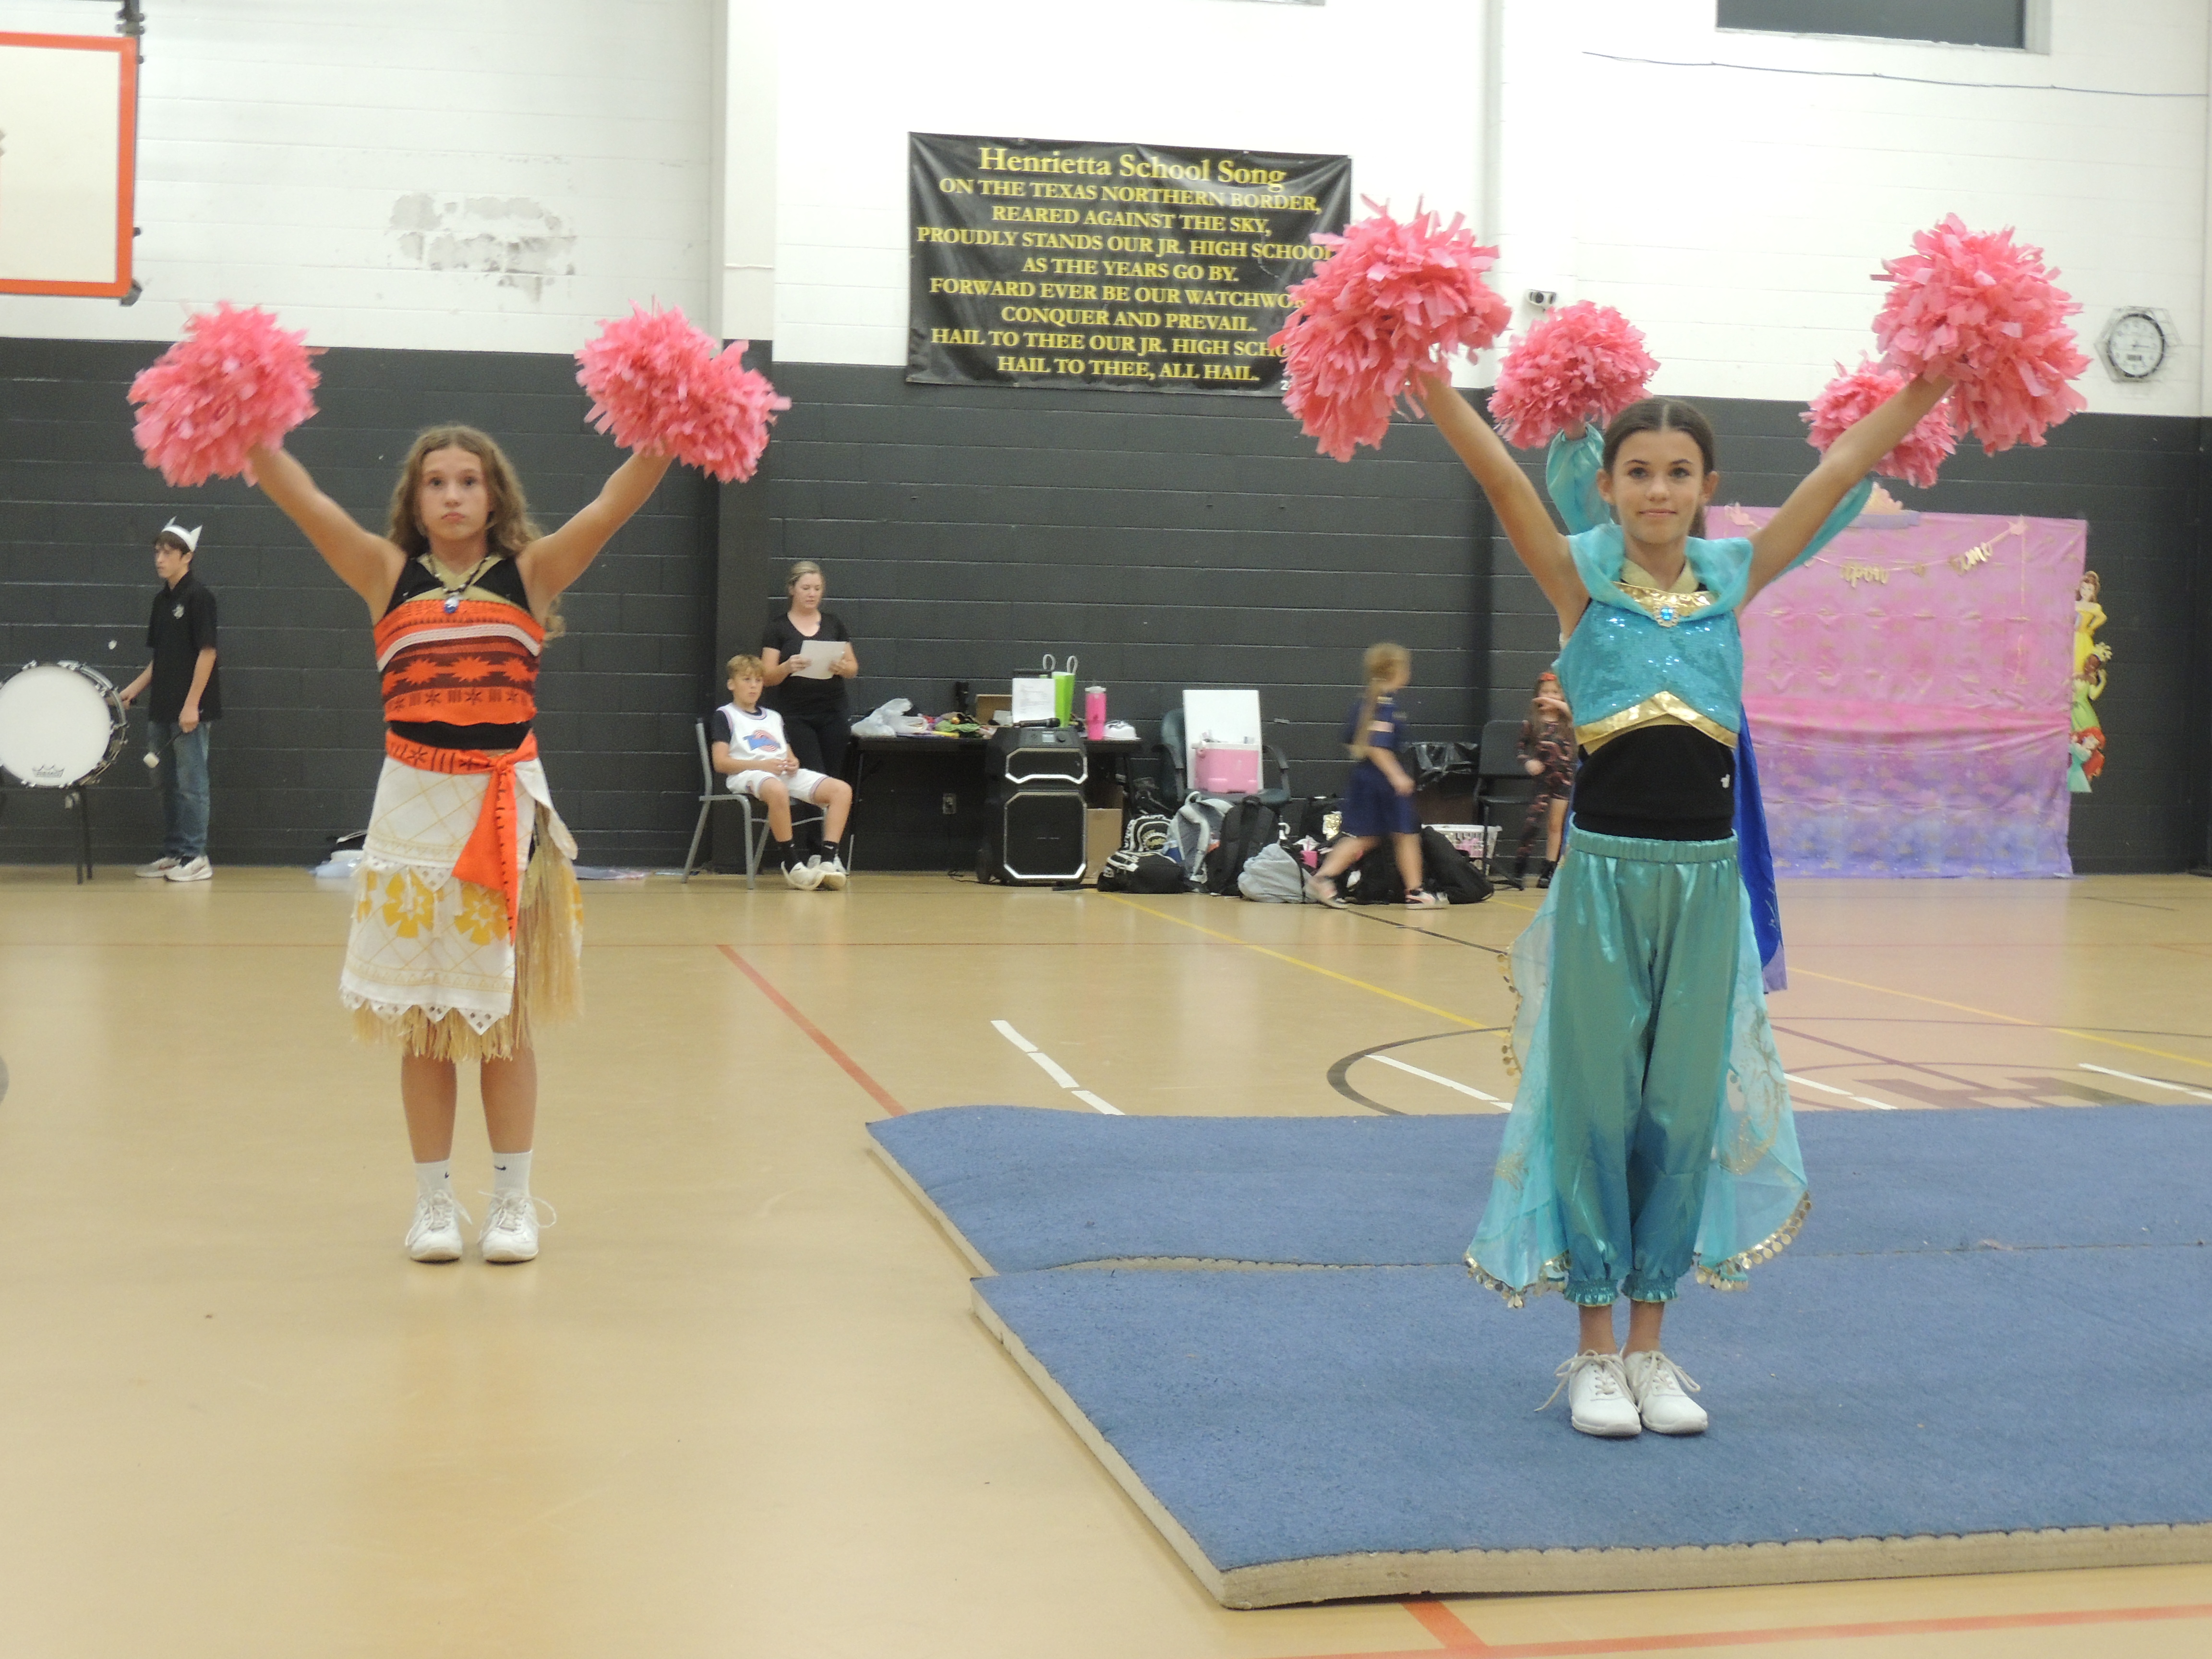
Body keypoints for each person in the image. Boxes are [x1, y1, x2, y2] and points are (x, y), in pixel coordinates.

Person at [1420, 368, 1949, 1439]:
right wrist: (1426, 380)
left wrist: (1926, 386)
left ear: (1708, 485)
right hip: (1607, 885)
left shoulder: (1736, 574)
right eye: (1638, 473)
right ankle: (1592, 1356)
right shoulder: (1578, 579)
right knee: (1598, 1111)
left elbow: (1839, 468)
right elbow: (1498, 477)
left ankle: (1654, 1351)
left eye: (1677, 474)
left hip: (1706, 889)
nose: (1658, 492)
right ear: (1607, 485)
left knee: (1683, 1114)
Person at [246, 424, 672, 1265]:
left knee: (504, 1025)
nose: (450, 495)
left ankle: (513, 1204)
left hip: (505, 814)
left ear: (493, 495)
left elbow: (614, 504)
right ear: (414, 498)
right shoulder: (382, 573)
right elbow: (305, 501)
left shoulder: (534, 574)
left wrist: (668, 428)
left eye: (467, 481)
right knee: (426, 1026)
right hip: (411, 818)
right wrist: (245, 435)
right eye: (434, 482)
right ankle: (433, 1205)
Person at [1307, 643, 1446, 909]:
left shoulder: (1363, 704)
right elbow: (1377, 745)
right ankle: (1415, 891)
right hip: (1382, 781)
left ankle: (1323, 877)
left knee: (1365, 835)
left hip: (1364, 778)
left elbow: (1353, 741)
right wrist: (1397, 776)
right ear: (1396, 670)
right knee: (1407, 834)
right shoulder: (1384, 706)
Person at [119, 521, 221, 882]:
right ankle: (175, 852)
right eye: (157, 552)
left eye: (168, 553)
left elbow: (207, 653)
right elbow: (160, 658)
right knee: (164, 782)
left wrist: (192, 705)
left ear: (187, 557)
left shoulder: (199, 597)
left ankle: (196, 857)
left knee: (192, 782)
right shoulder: (161, 601)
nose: (160, 559)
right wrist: (133, 689)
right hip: (161, 707)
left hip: (190, 709)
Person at [710, 653, 854, 889]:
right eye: (747, 680)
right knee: (776, 788)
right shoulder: (725, 715)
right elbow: (721, 763)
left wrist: (794, 763)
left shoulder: (774, 717)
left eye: (758, 680)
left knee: (841, 790)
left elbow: (788, 754)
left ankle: (827, 862)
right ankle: (792, 864)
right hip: (748, 774)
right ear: (731, 684)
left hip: (780, 772)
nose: (753, 686)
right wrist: (762, 766)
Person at [759, 559, 858, 864]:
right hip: (797, 715)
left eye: (817, 588)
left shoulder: (834, 623)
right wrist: (789, 666)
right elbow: (766, 676)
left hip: (832, 711)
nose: (812, 594)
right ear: (792, 590)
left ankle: (831, 850)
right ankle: (816, 850)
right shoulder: (778, 627)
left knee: (834, 777)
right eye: (806, 588)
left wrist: (843, 667)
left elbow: (853, 668)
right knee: (814, 779)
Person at [1512, 670, 1573, 890]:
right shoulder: (1532, 722)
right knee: (1532, 824)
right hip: (1542, 780)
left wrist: (1561, 704)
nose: (1549, 697)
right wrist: (1528, 762)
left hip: (1564, 780)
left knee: (1556, 826)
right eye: (1545, 692)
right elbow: (1520, 749)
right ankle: (1519, 868)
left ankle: (1549, 869)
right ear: (1537, 695)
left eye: (1555, 693)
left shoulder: (1568, 721)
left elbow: (1580, 719)